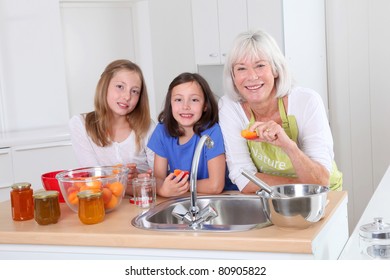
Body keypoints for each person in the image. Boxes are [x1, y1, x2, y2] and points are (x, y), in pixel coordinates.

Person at [219, 30, 342, 193]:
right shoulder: (229, 107)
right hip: (271, 198)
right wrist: (302, 185)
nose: (252, 76)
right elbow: (243, 177)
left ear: (275, 70)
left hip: (323, 199)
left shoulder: (307, 101)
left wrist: (289, 146)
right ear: (233, 76)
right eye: (241, 69)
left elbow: (321, 181)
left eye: (260, 66)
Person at [69, 59, 155, 195]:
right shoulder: (81, 125)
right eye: (120, 86)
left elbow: (158, 177)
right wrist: (129, 186)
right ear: (105, 85)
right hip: (105, 206)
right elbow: (94, 180)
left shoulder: (147, 127)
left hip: (140, 204)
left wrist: (140, 177)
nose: (127, 96)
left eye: (135, 91)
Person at [147, 72, 236, 197]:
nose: (185, 106)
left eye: (194, 100)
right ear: (170, 103)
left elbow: (215, 185)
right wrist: (163, 190)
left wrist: (179, 186)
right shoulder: (162, 131)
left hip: (218, 198)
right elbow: (158, 178)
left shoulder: (212, 131)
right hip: (186, 197)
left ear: (205, 105)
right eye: (178, 100)